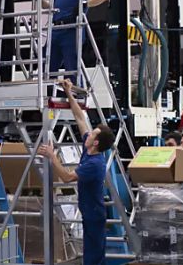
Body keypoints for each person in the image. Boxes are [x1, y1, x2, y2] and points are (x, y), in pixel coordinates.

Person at [38, 79, 115, 265]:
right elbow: (80, 118)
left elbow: (66, 178)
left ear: (96, 142)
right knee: (91, 253)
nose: (89, 134)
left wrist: (51, 156)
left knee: (93, 257)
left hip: (94, 214)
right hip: (88, 209)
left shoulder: (95, 163)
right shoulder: (90, 148)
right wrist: (69, 92)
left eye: (93, 133)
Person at [44, 0, 109, 80]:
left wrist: (85, 4)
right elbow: (53, 7)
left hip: (72, 28)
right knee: (48, 67)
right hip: (56, 29)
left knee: (72, 67)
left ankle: (76, 97)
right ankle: (48, 96)